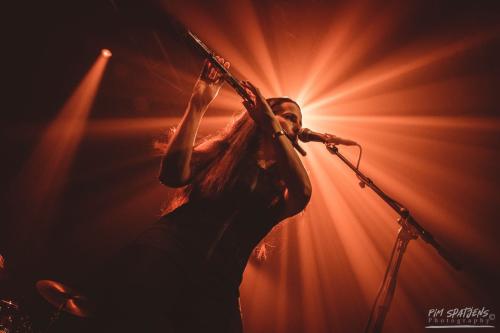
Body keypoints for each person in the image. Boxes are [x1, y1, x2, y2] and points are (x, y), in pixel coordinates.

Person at [100, 56, 312, 333]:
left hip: (219, 283)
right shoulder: (223, 152)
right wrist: (197, 106)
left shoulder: (281, 189)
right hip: (165, 252)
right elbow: (172, 175)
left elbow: (304, 192)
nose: (295, 125)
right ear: (259, 117)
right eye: (288, 116)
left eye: (297, 122)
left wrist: (273, 124)